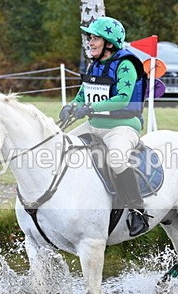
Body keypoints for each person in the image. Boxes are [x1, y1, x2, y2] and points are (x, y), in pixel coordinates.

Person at [59, 16, 151, 236]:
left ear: (109, 43)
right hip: (94, 125)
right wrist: (71, 106)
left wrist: (90, 108)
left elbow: (122, 99)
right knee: (59, 148)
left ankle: (138, 211)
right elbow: (83, 94)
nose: (90, 42)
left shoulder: (126, 64)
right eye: (89, 38)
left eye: (95, 38)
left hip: (122, 126)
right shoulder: (95, 63)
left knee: (117, 159)